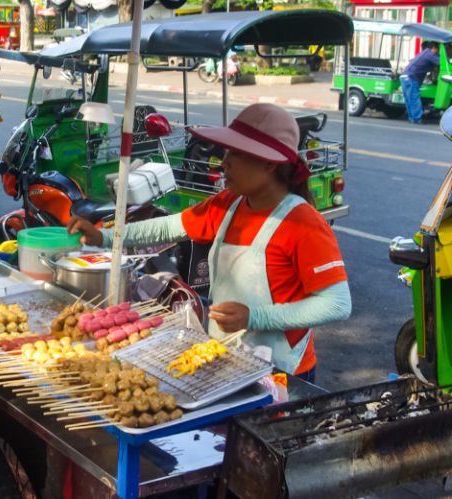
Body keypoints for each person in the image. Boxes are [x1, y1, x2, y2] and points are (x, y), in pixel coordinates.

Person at [67, 104, 352, 383]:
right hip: (225, 355)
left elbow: (337, 304)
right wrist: (106, 236)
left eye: (236, 153)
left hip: (281, 372)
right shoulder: (229, 203)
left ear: (269, 163)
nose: (223, 162)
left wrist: (255, 317)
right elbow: (169, 227)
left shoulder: (303, 223)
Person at [400, 41, 440, 124]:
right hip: (411, 78)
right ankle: (416, 119)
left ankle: (412, 118)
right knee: (414, 99)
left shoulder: (424, 53)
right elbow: (442, 62)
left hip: (404, 77)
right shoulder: (430, 54)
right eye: (438, 49)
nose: (438, 51)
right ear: (433, 48)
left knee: (409, 100)